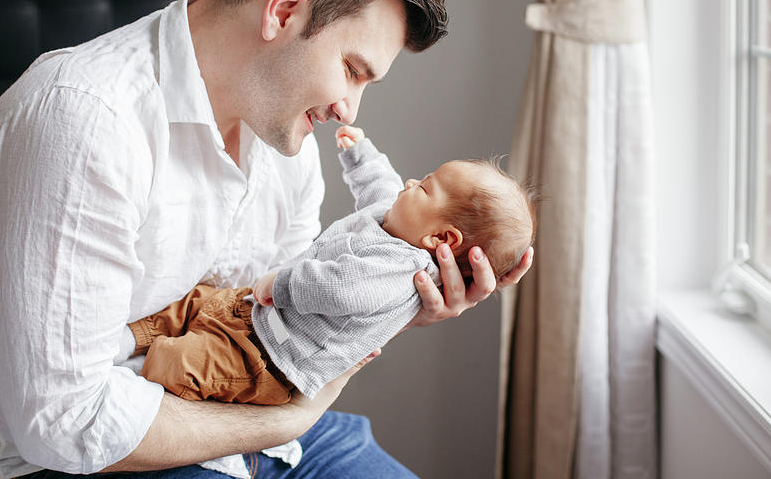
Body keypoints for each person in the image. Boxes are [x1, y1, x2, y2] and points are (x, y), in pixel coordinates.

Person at [0, 0, 533, 479]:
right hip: (92, 460)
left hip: (248, 426)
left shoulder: (284, 139)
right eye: (351, 71)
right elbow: (65, 425)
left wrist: (401, 303)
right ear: (283, 10)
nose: (349, 110)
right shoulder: (82, 120)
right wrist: (285, 422)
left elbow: (286, 321)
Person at [125, 124, 537, 412]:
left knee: (182, 363)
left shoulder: (401, 271)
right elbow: (381, 184)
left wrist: (282, 284)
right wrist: (360, 154)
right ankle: (126, 341)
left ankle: (139, 373)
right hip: (255, 316)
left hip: (270, 359)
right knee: (193, 301)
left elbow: (340, 290)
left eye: (425, 187)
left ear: (441, 240)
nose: (411, 184)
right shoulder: (397, 220)